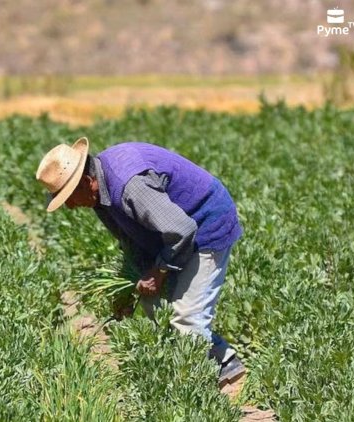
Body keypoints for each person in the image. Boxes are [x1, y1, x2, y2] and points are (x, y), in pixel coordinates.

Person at [35, 137, 246, 386]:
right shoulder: (99, 195)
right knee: (152, 301)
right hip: (174, 232)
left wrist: (159, 271)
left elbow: (182, 230)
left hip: (206, 224)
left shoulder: (130, 187)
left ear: (85, 182)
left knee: (186, 319)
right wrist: (129, 288)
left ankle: (195, 390)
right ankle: (222, 359)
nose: (70, 206)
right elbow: (131, 240)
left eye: (68, 197)